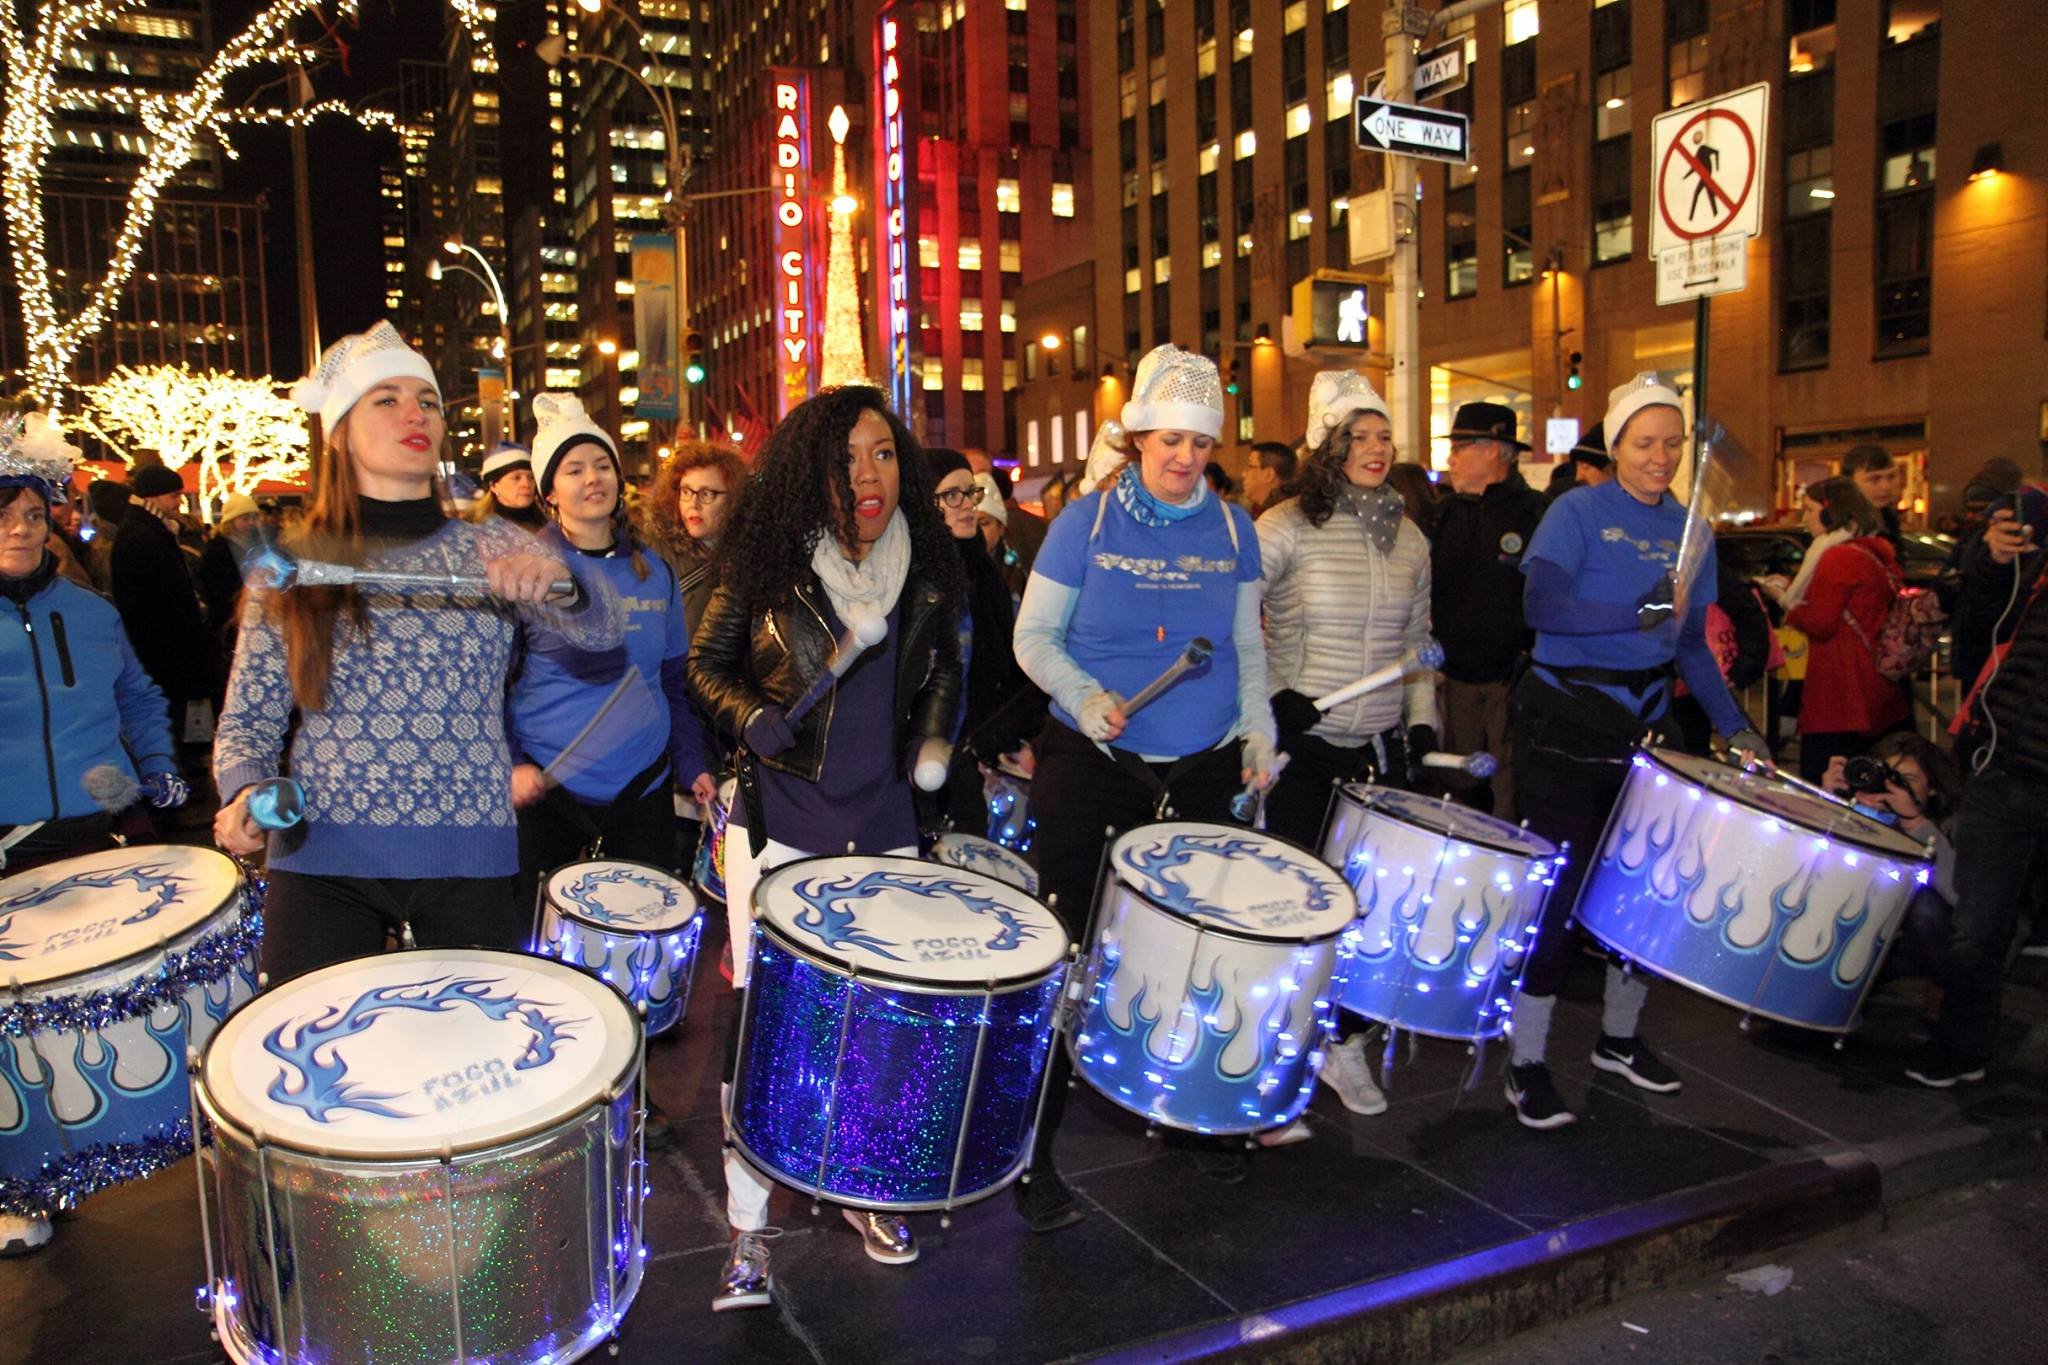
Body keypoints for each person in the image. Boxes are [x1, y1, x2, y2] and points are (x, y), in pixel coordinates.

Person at [211, 322, 620, 987]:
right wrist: (245, 794)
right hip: (322, 856)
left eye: (427, 400)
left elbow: (604, 633)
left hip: (467, 855)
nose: (415, 414)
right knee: (303, 1068)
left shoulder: (492, 546)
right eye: (387, 398)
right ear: (339, 430)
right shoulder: (291, 563)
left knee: (478, 1071)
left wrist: (566, 585)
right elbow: (247, 724)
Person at [686, 384, 963, 1310]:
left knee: (877, 1022)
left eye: (884, 453)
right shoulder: (769, 565)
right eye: (846, 457)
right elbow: (705, 665)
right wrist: (751, 714)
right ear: (813, 470)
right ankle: (749, 1226)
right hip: (783, 829)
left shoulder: (922, 567)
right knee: (768, 1024)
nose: (867, 474)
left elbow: (943, 668)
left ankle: (864, 1185)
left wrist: (931, 738)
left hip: (885, 824)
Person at [1014, 343, 1277, 1204]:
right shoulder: (1083, 523)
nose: (1184, 458)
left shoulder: (1234, 527)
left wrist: (1258, 726)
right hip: (1094, 763)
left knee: (1197, 951)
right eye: (1169, 440)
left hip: (1198, 768)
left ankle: (1191, 1111)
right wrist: (1085, 696)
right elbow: (1033, 639)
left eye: (1199, 444)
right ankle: (1035, 1147)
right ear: (1137, 438)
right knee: (1070, 951)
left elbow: (1244, 643)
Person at [1504, 373, 1765, 1130]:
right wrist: (1637, 606)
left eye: (1672, 443)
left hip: (1650, 726)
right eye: (1644, 442)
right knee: (1559, 894)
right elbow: (1542, 606)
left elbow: (1689, 648)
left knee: (1645, 895)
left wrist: (1734, 723)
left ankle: (1618, 1038)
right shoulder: (1576, 512)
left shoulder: (1693, 533)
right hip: (1566, 723)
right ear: (1614, 444)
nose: (1660, 456)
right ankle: (1526, 1059)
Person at [0, 416, 188, 1257]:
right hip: (7, 841)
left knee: (84, 1016)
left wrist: (158, 765)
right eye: (4, 512)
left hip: (93, 833)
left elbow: (142, 697)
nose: (20, 526)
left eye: (33, 512)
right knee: (11, 1033)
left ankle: (117, 1141)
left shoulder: (93, 610)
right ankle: (18, 1184)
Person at [1255, 371, 1435, 1127]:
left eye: (1382, 435)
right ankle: (1270, 1063)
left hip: (1375, 751)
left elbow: (1418, 643)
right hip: (1303, 748)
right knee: (1295, 910)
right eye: (1356, 436)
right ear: (1326, 445)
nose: (1373, 448)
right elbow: (1234, 624)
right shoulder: (1284, 526)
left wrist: (1422, 723)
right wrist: (1271, 699)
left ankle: (1343, 1042)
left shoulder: (1411, 535)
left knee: (1366, 911)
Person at [507, 393, 706, 900]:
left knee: (638, 937)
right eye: (573, 469)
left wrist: (691, 763)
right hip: (548, 792)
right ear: (549, 491)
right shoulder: (527, 572)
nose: (592, 478)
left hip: (642, 786)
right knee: (533, 943)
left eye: (602, 465)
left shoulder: (654, 571)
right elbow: (493, 685)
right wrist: (512, 762)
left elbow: (671, 685)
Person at [1907, 505, 2048, 1086]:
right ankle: (1962, 1048)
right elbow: (1980, 630)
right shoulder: (2037, 567)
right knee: (1979, 924)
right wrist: (1992, 561)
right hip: (2005, 771)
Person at [1429, 401, 1548, 818]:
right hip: (1453, 681)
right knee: (1456, 791)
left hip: (1509, 685)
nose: (1451, 460)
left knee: (1509, 796)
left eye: (1460, 448)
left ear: (1495, 449)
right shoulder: (1443, 515)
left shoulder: (1536, 515)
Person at [926, 448, 1044, 835]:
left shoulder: (985, 576)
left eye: (970, 493)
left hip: (971, 758)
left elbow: (1008, 668)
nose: (967, 507)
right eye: (951, 496)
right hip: (921, 761)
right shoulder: (915, 579)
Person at [1765, 477, 1908, 782]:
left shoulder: (1837, 557)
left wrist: (1787, 604)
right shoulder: (1870, 552)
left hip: (1839, 692)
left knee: (1827, 784)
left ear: (1832, 513)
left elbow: (1821, 621)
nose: (1804, 518)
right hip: (1872, 690)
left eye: (1809, 510)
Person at [111, 462, 215, 745]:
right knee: (167, 712)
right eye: (174, 495)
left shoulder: (149, 527)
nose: (179, 502)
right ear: (153, 496)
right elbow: (150, 601)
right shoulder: (142, 534)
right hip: (161, 646)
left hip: (163, 643)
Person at [967, 449, 1045, 599]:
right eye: (970, 522)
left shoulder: (1020, 568)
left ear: (1001, 527)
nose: (976, 531)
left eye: (984, 523)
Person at [469, 441, 546, 531]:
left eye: (531, 477)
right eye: (516, 478)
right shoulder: (478, 529)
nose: (526, 484)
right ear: (494, 486)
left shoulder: (547, 526)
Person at [1839, 443, 1903, 548]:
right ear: (1849, 483)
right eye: (1874, 479)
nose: (1886, 486)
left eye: (1891, 477)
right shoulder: (1841, 528)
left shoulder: (1888, 519)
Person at [1544, 425, 1613, 505]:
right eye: (1577, 466)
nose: (1578, 477)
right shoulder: (1566, 500)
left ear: (1612, 467)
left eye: (1585, 466)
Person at [1242, 441, 1298, 518]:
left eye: (1250, 466)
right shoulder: (1258, 510)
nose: (1243, 474)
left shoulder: (1279, 517)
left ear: (1268, 475)